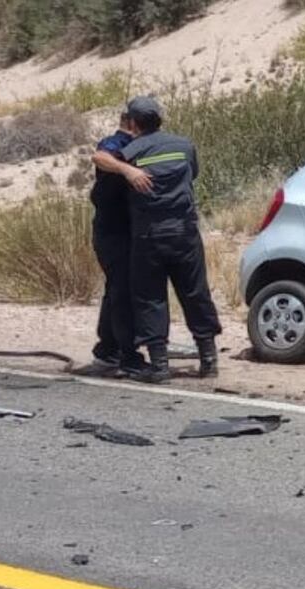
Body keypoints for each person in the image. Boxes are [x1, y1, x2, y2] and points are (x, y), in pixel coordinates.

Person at [92, 96, 221, 384]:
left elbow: (101, 159)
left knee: (151, 299)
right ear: (160, 119)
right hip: (185, 233)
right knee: (195, 293)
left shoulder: (130, 152)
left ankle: (159, 366)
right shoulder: (184, 146)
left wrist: (128, 170)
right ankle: (209, 359)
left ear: (133, 123)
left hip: (149, 237)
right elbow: (193, 175)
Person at [73, 112, 145, 378]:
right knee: (121, 292)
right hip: (112, 233)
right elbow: (100, 157)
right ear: (132, 124)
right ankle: (123, 355)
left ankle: (109, 350)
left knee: (118, 290)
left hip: (131, 232)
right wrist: (128, 170)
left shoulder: (146, 146)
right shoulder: (116, 143)